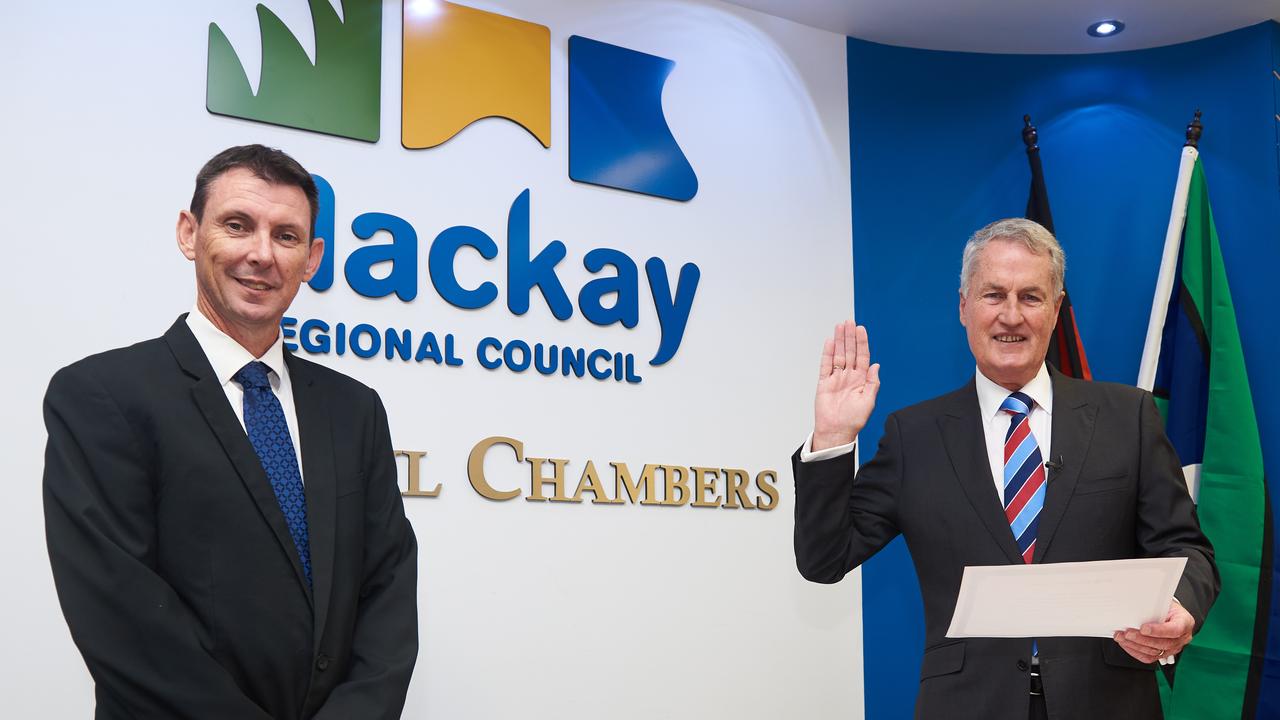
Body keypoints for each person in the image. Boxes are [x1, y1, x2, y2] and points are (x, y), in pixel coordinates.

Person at [43, 145, 419, 719]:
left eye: (286, 236)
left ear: (313, 258)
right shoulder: (102, 396)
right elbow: (121, 616)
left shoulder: (355, 410)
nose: (261, 255)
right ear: (189, 234)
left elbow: (387, 590)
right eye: (237, 226)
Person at [793, 218, 1218, 720]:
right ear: (964, 306)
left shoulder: (1127, 417)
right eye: (993, 295)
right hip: (967, 705)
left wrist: (1182, 608)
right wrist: (833, 440)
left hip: (1106, 700)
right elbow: (823, 559)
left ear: (1056, 310)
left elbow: (1186, 548)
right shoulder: (915, 436)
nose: (1011, 316)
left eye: (1031, 297)